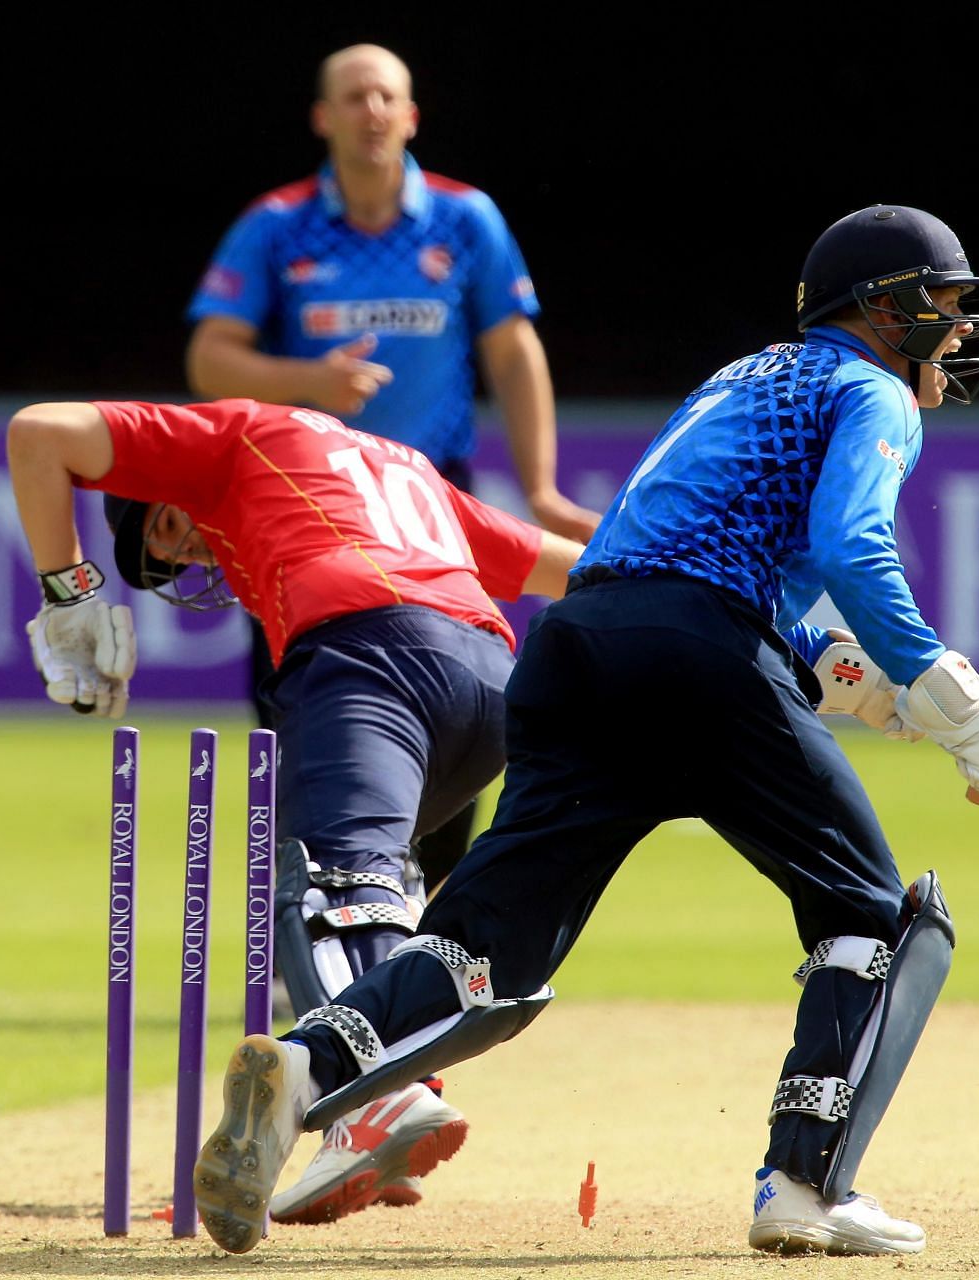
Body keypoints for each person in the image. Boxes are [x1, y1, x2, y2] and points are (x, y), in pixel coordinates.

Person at [190, 205, 979, 1258]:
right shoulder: (870, 386)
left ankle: (306, 1067)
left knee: (486, 954)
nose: (961, 329)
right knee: (876, 920)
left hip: (577, 650)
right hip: (695, 650)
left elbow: (729, 587)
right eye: (946, 304)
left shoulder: (740, 377)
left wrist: (895, 699)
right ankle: (807, 1182)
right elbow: (850, 548)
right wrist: (960, 700)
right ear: (884, 309)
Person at [5, 394, 585, 1225]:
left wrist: (67, 598)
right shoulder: (406, 468)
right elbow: (568, 565)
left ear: (162, 494)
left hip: (368, 655)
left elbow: (38, 434)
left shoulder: (235, 433)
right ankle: (372, 1114)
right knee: (379, 886)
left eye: (164, 536)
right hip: (492, 684)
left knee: (331, 888)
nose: (189, 550)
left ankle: (381, 1101)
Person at [183, 42, 599, 894]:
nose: (371, 110)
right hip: (300, 514)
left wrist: (545, 486)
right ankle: (300, 941)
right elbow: (210, 359)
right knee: (296, 730)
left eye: (386, 96)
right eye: (353, 96)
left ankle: (422, 952)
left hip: (430, 505)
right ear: (323, 118)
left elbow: (513, 352)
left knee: (463, 721)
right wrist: (311, 383)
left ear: (410, 116)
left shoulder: (463, 218)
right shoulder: (277, 224)